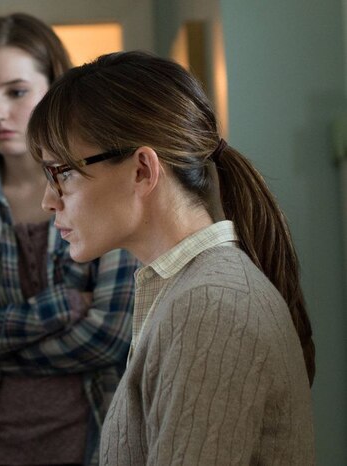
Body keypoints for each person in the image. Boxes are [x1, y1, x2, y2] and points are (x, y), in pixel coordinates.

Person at [27, 50, 316, 465]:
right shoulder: (188, 292)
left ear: (142, 170)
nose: (48, 200)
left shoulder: (211, 305)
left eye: (64, 172)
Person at [0, 13, 138, 466]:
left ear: (55, 89)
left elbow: (108, 338)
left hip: (94, 440)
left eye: (16, 92)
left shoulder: (103, 186)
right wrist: (60, 308)